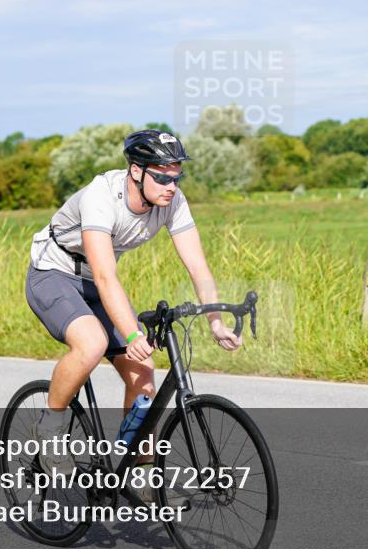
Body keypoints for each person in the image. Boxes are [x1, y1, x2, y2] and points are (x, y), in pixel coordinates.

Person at [25, 128, 242, 472]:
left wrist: (216, 321)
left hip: (96, 284)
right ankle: (49, 426)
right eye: (162, 178)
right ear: (136, 171)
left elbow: (198, 267)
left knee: (143, 373)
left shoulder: (173, 202)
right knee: (92, 343)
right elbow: (106, 276)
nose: (172, 186)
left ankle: (137, 470)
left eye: (176, 177)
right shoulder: (101, 196)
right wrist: (130, 334)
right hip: (54, 274)